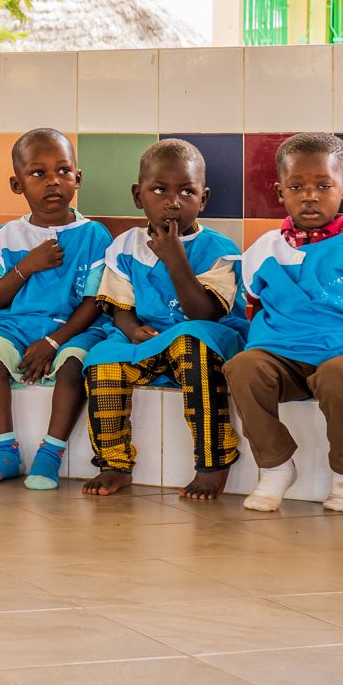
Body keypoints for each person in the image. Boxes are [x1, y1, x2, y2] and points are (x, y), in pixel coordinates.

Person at [225, 132, 343, 514]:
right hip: (284, 354)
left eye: (324, 185)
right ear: (280, 192)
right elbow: (255, 309)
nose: (310, 195)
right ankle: (274, 467)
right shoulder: (263, 250)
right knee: (242, 366)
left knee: (338, 377)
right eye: (296, 186)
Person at [79, 140, 246, 500]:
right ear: (139, 196)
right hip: (150, 340)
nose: (173, 201)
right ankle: (114, 464)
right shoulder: (125, 246)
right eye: (160, 190)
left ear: (203, 199)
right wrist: (130, 329)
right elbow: (119, 305)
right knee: (101, 359)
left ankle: (212, 464)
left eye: (187, 191)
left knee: (191, 340)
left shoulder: (219, 249)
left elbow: (205, 312)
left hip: (207, 339)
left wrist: (175, 258)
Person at [0, 128, 113, 491]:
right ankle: (6, 453)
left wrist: (53, 341)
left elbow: (94, 303)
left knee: (74, 367)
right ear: (18, 185)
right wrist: (26, 266)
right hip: (15, 325)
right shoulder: (6, 237)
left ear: (77, 178)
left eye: (63, 171)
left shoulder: (94, 236)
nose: (53, 181)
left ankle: (51, 454)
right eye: (38, 173)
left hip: (74, 327)